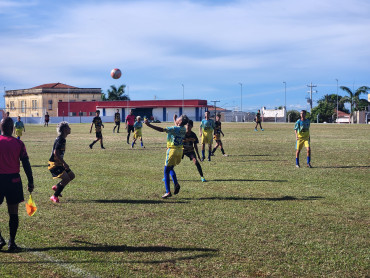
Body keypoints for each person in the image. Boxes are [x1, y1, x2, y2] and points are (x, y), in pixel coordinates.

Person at [0, 117, 34, 252]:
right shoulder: (19, 144)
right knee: (13, 212)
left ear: (1, 128)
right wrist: (30, 181)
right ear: (12, 129)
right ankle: (12, 243)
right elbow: (26, 163)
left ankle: (0, 239)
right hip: (14, 180)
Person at [145, 114, 188, 198]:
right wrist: (174, 119)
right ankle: (176, 184)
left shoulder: (174, 128)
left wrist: (148, 125)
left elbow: (161, 130)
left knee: (166, 171)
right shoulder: (183, 129)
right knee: (171, 168)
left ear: (181, 121)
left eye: (178, 118)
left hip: (172, 150)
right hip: (179, 150)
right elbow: (177, 126)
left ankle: (168, 192)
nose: (177, 119)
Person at [48, 122, 75, 203]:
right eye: (68, 127)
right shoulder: (61, 139)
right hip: (54, 164)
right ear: (64, 130)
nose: (70, 128)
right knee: (66, 178)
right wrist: (64, 163)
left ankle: (57, 187)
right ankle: (54, 196)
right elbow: (55, 153)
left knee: (71, 176)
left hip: (59, 163)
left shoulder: (62, 138)